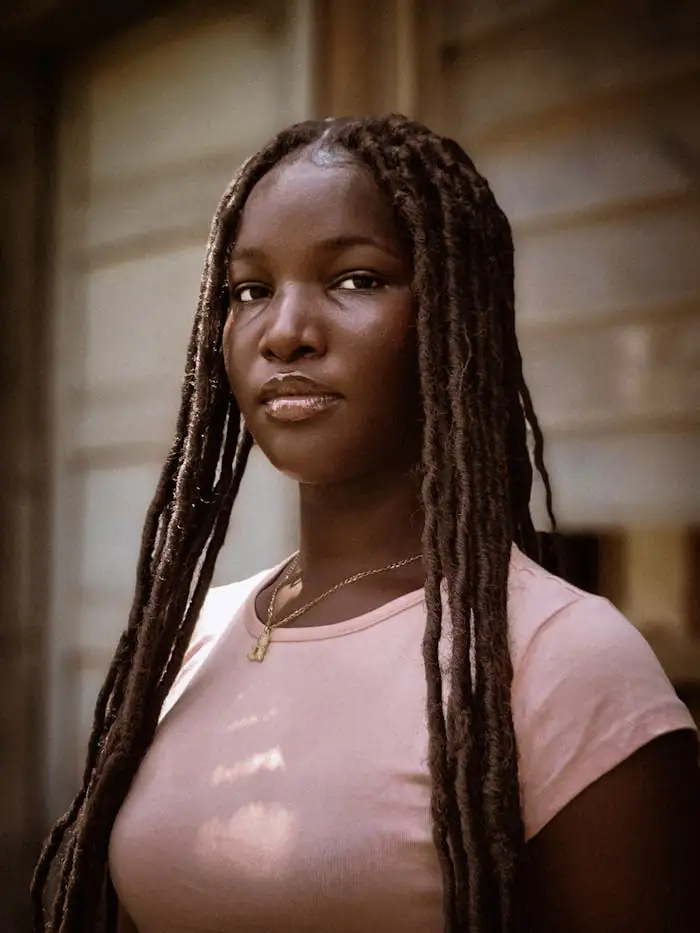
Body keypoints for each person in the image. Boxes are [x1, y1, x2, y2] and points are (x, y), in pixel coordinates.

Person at [32, 115, 700, 933]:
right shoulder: (192, 634)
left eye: (356, 279)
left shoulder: (561, 659)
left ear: (455, 316)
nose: (286, 332)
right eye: (251, 290)